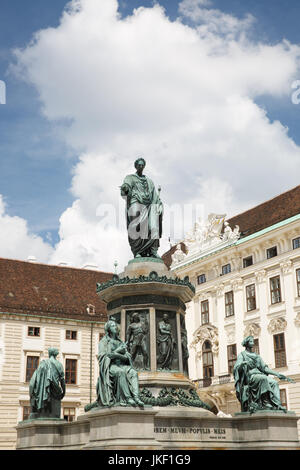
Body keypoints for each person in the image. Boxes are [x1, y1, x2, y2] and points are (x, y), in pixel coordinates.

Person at [233, 336, 294, 413]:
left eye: (253, 341)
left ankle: (277, 404)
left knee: (274, 383)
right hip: (250, 376)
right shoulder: (242, 355)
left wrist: (277, 374)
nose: (253, 343)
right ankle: (266, 403)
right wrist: (243, 363)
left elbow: (264, 368)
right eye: (251, 341)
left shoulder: (257, 356)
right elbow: (237, 367)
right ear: (247, 343)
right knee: (263, 379)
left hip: (259, 375)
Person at [120, 158, 163, 258]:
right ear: (136, 166)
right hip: (136, 202)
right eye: (139, 165)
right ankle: (138, 251)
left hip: (149, 205)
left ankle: (153, 250)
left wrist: (159, 205)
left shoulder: (149, 181)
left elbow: (155, 196)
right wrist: (125, 188)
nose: (140, 166)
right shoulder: (130, 178)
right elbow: (126, 186)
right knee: (136, 223)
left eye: (142, 165)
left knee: (153, 227)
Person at [96, 319, 144, 407]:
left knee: (133, 373)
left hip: (122, 365)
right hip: (110, 366)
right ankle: (128, 397)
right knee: (120, 372)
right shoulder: (103, 342)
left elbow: (127, 357)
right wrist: (118, 351)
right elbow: (104, 357)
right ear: (108, 329)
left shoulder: (120, 342)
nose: (115, 327)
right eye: (113, 326)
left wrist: (117, 355)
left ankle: (136, 397)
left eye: (115, 325)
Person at [29, 347, 65, 419]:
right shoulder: (59, 365)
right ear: (55, 355)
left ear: (49, 354)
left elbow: (37, 378)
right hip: (56, 391)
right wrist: (64, 391)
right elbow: (62, 380)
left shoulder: (43, 363)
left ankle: (37, 410)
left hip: (45, 390)